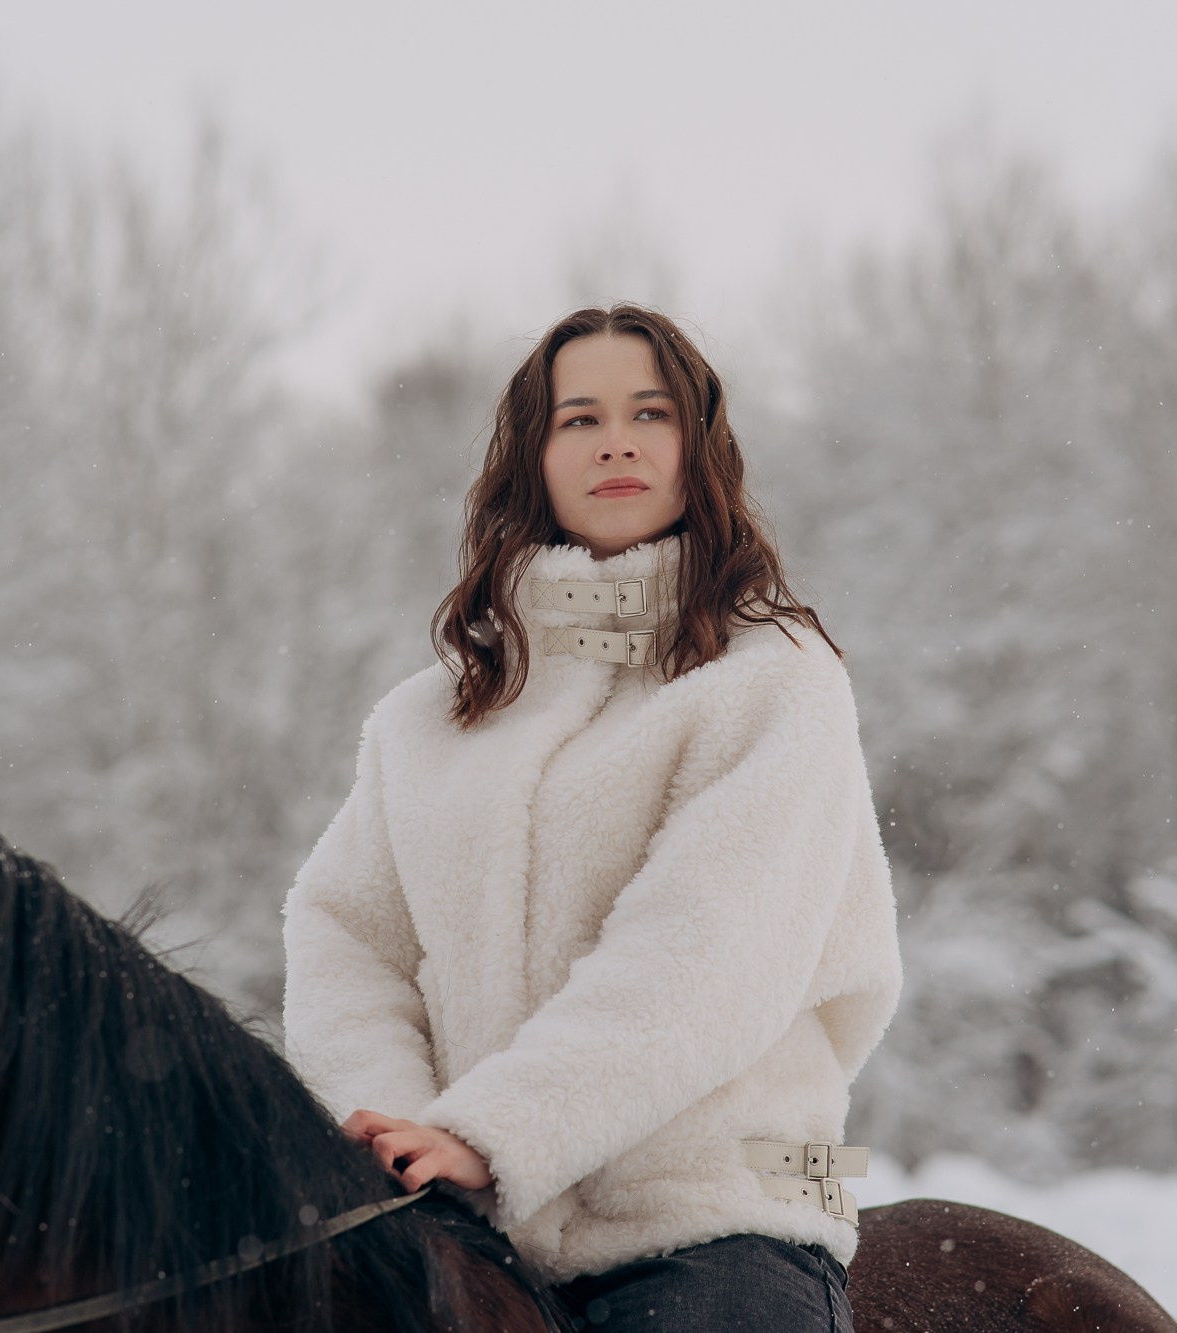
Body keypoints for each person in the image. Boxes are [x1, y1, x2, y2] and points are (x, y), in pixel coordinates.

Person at [282, 303, 902, 1331]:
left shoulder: (772, 682)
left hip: (715, 1218)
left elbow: (706, 952)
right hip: (454, 1223)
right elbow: (346, 933)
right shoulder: (424, 719)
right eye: (578, 418)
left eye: (648, 412)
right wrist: (402, 1135)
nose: (614, 438)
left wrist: (495, 1130)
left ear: (696, 449)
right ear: (533, 456)